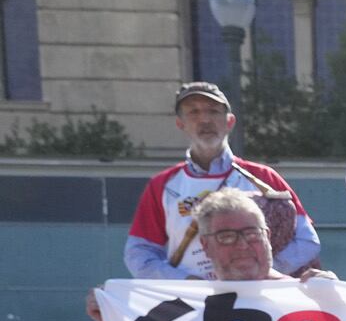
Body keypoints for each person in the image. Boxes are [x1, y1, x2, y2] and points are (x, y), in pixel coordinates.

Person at [125, 81, 321, 282]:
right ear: (180, 123)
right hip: (190, 300)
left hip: (256, 296)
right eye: (193, 112)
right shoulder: (162, 185)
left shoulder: (264, 177)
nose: (205, 119)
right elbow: (139, 254)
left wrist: (259, 272)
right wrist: (186, 282)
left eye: (214, 111)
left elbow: (307, 241)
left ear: (230, 121)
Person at [182, 189, 334, 286]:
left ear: (267, 237)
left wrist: (337, 302)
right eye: (227, 237)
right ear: (206, 245)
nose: (242, 245)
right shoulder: (191, 310)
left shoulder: (306, 298)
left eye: (252, 234)